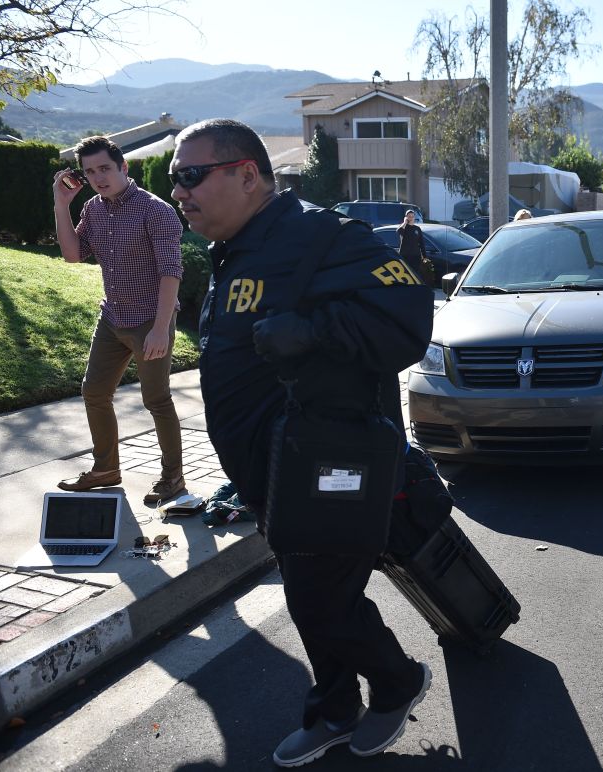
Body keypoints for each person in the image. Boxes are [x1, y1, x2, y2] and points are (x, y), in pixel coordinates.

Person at [169, 119, 435, 767]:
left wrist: (312, 331)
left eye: (190, 175)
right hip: (272, 473)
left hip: (330, 465)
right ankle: (337, 707)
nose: (179, 191)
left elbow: (407, 319)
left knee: (320, 598)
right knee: (309, 593)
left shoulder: (320, 235)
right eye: (175, 179)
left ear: (247, 174)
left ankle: (396, 681)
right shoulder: (236, 248)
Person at [51, 136, 186, 505]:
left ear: (123, 167)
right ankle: (106, 469)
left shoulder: (155, 210)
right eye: (90, 171)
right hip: (113, 318)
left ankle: (173, 478)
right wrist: (62, 203)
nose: (98, 177)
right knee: (94, 392)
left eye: (105, 168)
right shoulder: (93, 209)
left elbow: (171, 271)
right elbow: (72, 255)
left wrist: (160, 328)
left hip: (149, 320)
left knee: (156, 400)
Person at [396, 209, 434, 285]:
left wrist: (424, 256)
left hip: (416, 255)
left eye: (412, 216)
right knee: (406, 273)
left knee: (416, 273)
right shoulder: (403, 227)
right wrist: (404, 222)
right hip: (405, 255)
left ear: (414, 218)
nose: (411, 218)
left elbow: (421, 243)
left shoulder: (417, 229)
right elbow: (398, 231)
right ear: (406, 217)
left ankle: (416, 286)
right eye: (409, 216)